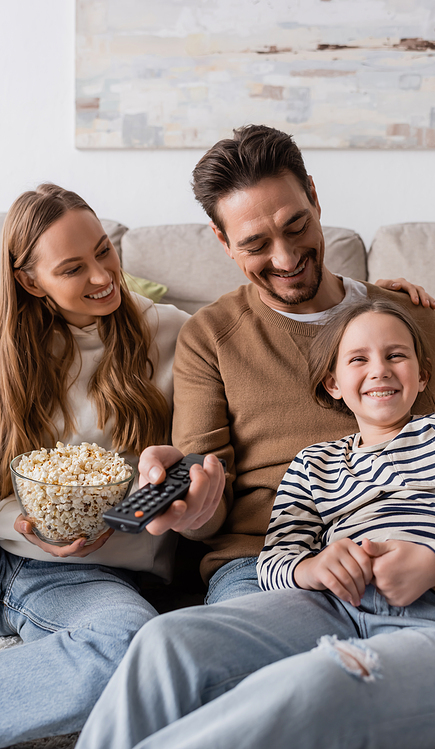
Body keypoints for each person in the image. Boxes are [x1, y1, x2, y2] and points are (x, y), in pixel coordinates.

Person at [75, 297, 435, 749]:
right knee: (166, 639)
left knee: (321, 682)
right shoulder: (314, 464)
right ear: (333, 383)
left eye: (396, 355)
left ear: (424, 374)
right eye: (359, 359)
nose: (379, 369)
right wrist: (311, 569)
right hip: (331, 605)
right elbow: (277, 558)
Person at [139, 123, 435, 605]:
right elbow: (211, 509)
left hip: (410, 550)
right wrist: (194, 507)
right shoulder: (210, 336)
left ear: (315, 200)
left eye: (296, 226)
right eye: (255, 245)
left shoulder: (410, 318)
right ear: (222, 240)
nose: (284, 257)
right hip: (264, 562)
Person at [0, 184, 225, 747]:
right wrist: (20, 524)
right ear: (30, 281)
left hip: (95, 571)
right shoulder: (9, 351)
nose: (103, 276)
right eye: (73, 267)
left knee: (133, 642)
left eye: (105, 251)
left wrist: (374, 298)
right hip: (24, 552)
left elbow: (267, 323)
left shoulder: (176, 333)